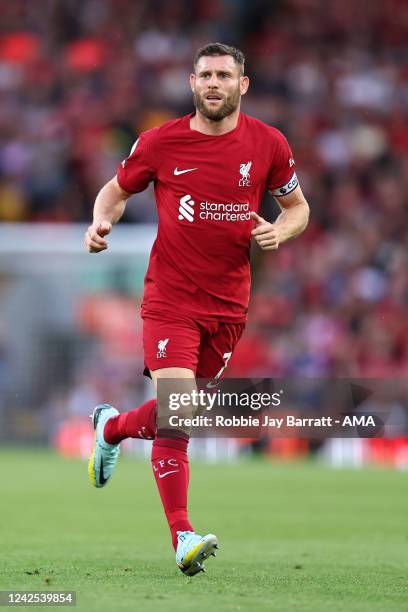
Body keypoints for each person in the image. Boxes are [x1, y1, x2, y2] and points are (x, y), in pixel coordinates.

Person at [84, 42, 309, 576]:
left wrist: (280, 229)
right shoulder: (161, 142)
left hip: (229, 307)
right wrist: (101, 223)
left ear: (242, 85)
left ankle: (111, 429)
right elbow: (114, 191)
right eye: (205, 75)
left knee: (178, 409)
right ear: (192, 83)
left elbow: (298, 208)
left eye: (224, 76)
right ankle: (182, 535)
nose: (214, 83)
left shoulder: (269, 144)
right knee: (180, 415)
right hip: (170, 298)